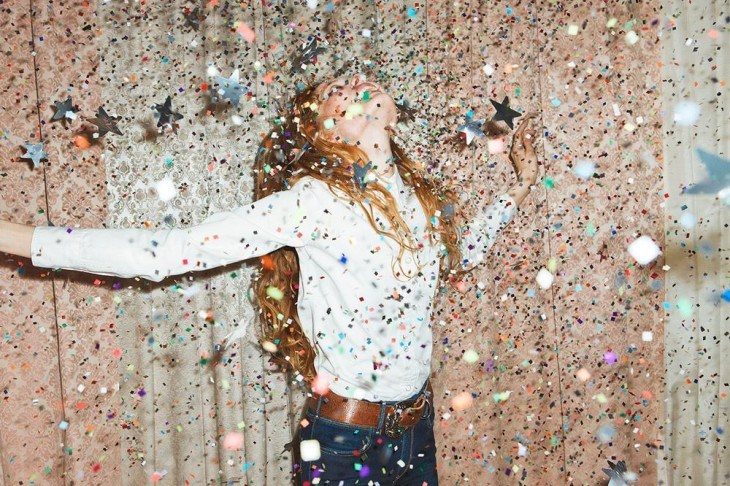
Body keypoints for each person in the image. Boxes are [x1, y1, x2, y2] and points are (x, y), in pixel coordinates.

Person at [0, 72, 539, 485]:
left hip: (415, 431)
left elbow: (459, 254)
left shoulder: (419, 201)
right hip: (344, 443)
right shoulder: (313, 202)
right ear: (323, 131)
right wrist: (15, 238)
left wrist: (518, 187)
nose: (354, 81)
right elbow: (170, 251)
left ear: (392, 118)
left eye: (358, 79)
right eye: (335, 89)